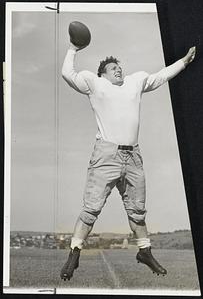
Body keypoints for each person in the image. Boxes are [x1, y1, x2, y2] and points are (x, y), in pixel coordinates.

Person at [60, 34, 196, 281]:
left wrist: (184, 62)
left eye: (120, 67)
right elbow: (68, 73)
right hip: (106, 154)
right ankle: (74, 253)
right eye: (113, 68)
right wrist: (73, 48)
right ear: (103, 74)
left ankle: (145, 252)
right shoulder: (94, 83)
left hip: (133, 155)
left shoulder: (135, 81)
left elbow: (161, 76)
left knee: (137, 212)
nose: (119, 70)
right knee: (91, 209)